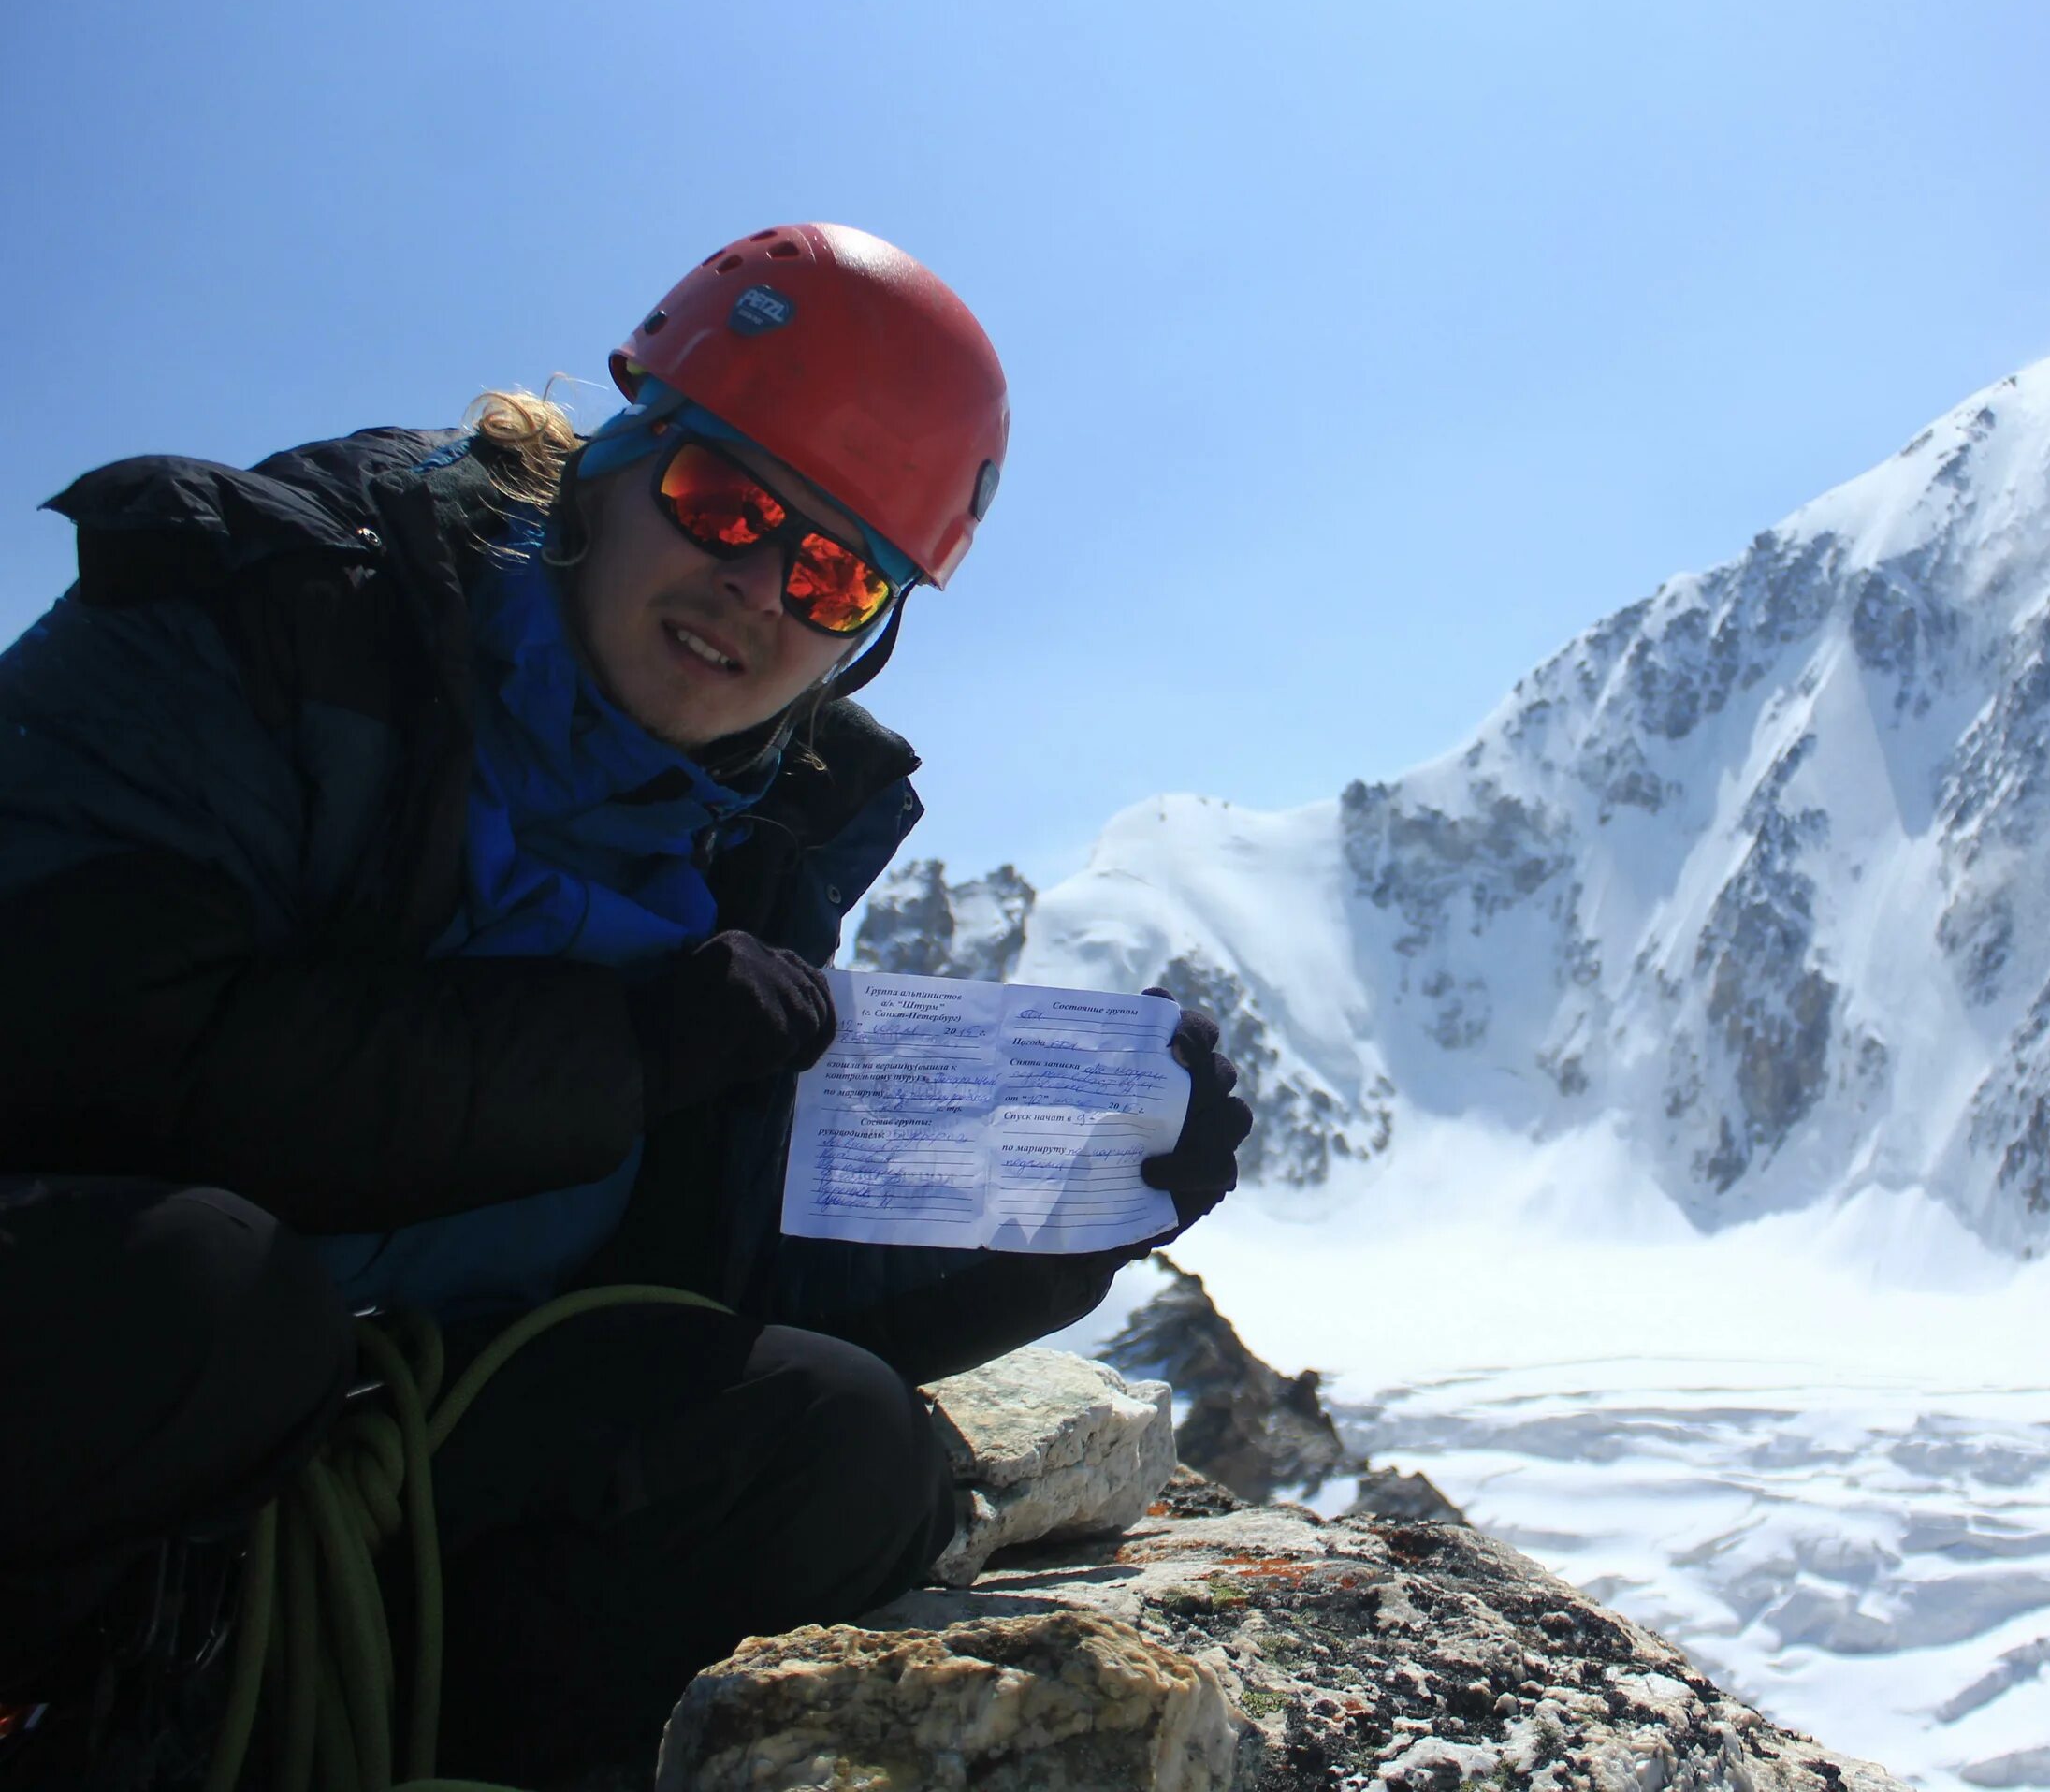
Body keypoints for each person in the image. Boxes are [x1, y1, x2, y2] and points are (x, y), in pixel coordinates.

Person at [0, 223, 1252, 1787]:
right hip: (103, 1337)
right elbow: (91, 1042)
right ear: (614, 450)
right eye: (725, 501)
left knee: (833, 1446)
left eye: (833, 573)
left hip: (395, 1432)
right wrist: (628, 1051)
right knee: (195, 1295)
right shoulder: (260, 598)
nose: (756, 589)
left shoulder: (762, 844)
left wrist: (1056, 1214)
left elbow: (716, 1278)